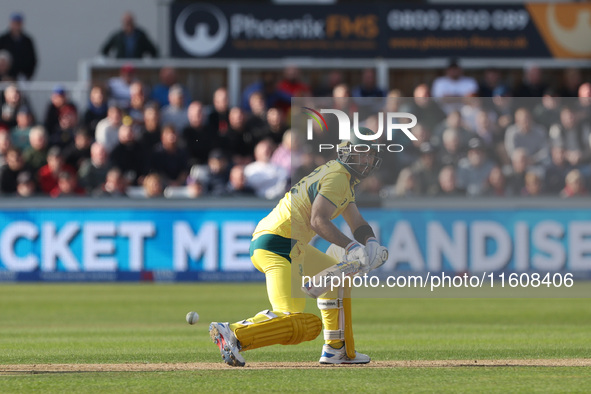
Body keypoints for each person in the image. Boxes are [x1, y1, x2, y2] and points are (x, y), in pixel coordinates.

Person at [209, 127, 389, 367]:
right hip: (279, 243)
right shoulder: (337, 177)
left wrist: (372, 242)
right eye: (362, 152)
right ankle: (233, 332)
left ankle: (337, 350)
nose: (366, 160)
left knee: (338, 278)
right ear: (347, 152)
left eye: (370, 154)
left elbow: (356, 221)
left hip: (291, 244)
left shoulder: (340, 177)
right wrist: (353, 246)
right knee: (296, 320)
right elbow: (318, 221)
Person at [0, 13, 37, 80]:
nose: (16, 26)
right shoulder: (3, 39)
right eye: (14, 23)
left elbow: (32, 60)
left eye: (18, 23)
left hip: (21, 77)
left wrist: (27, 75)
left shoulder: (27, 41)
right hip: (4, 79)